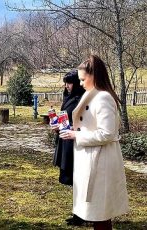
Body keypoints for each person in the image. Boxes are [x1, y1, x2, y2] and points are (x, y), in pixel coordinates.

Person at [60, 55, 129, 230]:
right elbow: (88, 125)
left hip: (101, 162)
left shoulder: (103, 98)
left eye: (83, 79)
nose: (81, 83)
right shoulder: (94, 95)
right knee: (98, 212)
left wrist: (77, 136)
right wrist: (71, 132)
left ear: (94, 76)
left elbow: (106, 133)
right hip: (93, 159)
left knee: (100, 212)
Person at [52, 70, 85, 226]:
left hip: (76, 143)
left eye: (70, 82)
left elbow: (83, 122)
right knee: (73, 180)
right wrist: (57, 125)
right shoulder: (68, 97)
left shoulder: (82, 98)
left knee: (79, 180)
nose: (67, 86)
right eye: (65, 83)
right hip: (66, 141)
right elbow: (65, 117)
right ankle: (78, 213)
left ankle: (81, 215)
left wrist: (71, 129)